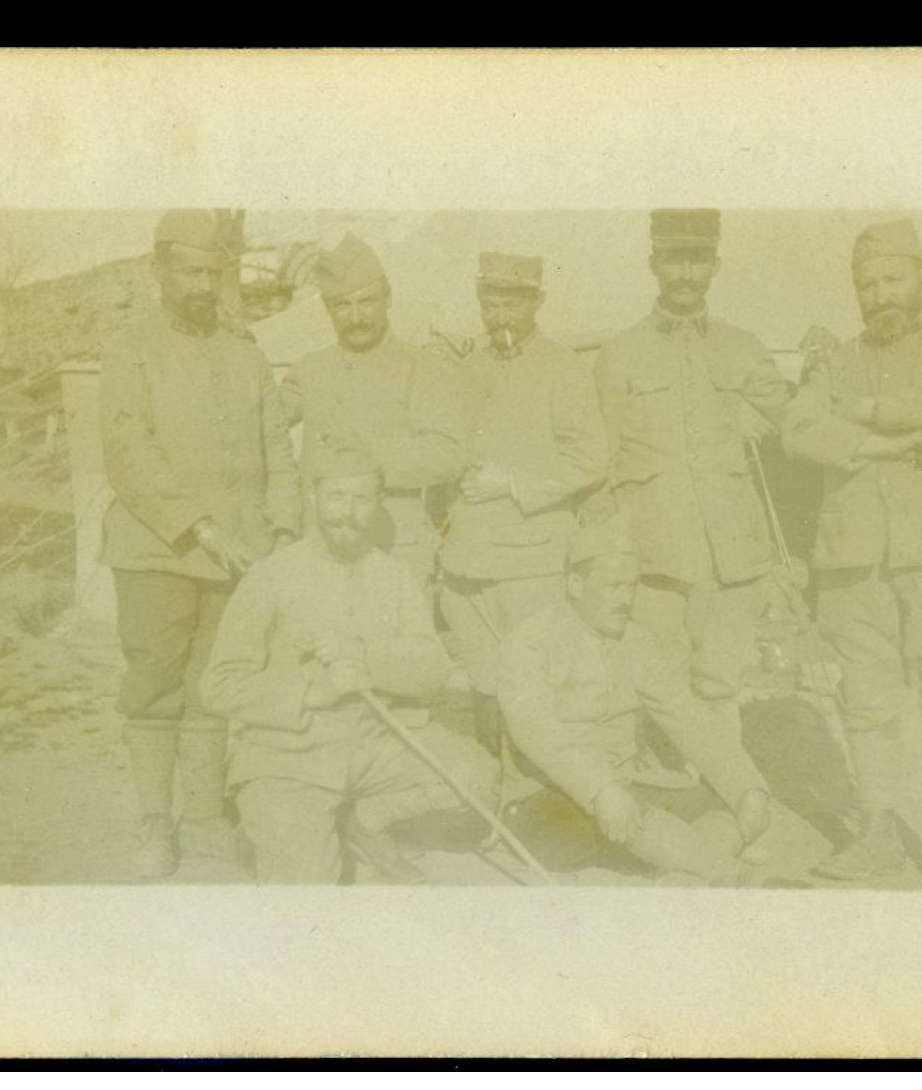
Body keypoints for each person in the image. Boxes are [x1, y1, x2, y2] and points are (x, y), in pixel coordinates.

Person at [780, 219, 922, 889]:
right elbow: (797, 430)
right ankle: (877, 833)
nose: (880, 295)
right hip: (853, 560)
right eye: (866, 284)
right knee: (864, 705)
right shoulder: (835, 362)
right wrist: (890, 442)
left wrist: (868, 408)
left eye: (892, 280)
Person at [99, 209, 300, 879]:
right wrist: (201, 528)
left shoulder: (246, 352)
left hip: (238, 554)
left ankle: (207, 818)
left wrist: (283, 530)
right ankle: (157, 824)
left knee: (213, 687)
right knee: (156, 685)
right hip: (160, 549)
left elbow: (278, 448)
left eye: (212, 272)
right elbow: (128, 451)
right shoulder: (129, 347)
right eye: (188, 271)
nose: (201, 285)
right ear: (158, 271)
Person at [200, 442, 500, 885]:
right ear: (313, 497)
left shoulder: (394, 577)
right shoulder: (271, 576)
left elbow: (432, 668)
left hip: (376, 742)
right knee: (309, 889)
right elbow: (219, 686)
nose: (348, 511)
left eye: (361, 499)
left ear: (378, 503)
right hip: (291, 756)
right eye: (337, 497)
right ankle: (274, 828)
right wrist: (314, 690)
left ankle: (361, 820)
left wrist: (365, 660)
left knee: (478, 780)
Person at [590, 207, 790, 840]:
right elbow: (599, 460)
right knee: (658, 690)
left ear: (714, 266)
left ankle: (732, 815)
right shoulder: (620, 354)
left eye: (696, 259)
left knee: (719, 689)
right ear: (653, 264)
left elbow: (794, 424)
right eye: (673, 258)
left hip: (730, 552)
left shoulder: (744, 346)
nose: (684, 271)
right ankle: (667, 824)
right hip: (652, 556)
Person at [496, 515, 782, 887]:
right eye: (613, 586)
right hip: (548, 794)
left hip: (627, 784)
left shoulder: (637, 641)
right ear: (576, 584)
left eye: (631, 586)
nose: (625, 599)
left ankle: (683, 870)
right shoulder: (529, 643)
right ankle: (728, 873)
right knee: (602, 824)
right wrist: (602, 788)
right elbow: (540, 735)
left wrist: (746, 786)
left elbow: (689, 717)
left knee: (730, 803)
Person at [439, 252, 607, 753]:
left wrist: (512, 482)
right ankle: (491, 787)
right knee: (484, 680)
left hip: (534, 560)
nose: (501, 315)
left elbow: (589, 459)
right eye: (491, 303)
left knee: (539, 679)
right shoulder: (464, 370)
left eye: (514, 302)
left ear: (539, 302)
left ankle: (547, 797)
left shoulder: (564, 370)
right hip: (469, 559)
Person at [280, 232, 467, 589]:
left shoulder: (423, 369)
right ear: (328, 309)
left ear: (388, 297)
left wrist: (366, 454)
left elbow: (450, 454)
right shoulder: (309, 370)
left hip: (396, 553)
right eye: (342, 306)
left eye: (366, 302)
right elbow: (262, 423)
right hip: (322, 556)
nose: (356, 317)